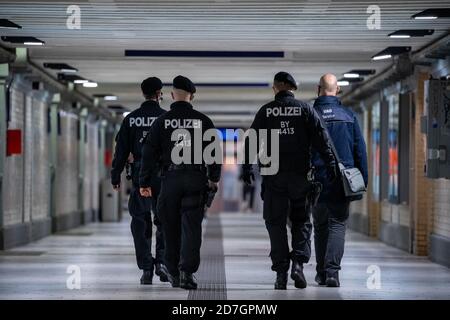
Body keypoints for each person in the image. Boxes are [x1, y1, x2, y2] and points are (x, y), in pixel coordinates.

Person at [242, 72, 337, 290]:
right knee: (301, 221)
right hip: (301, 177)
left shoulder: (267, 111)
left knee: (275, 223)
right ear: (293, 88)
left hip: (274, 178)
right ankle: (298, 265)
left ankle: (281, 274)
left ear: (276, 88)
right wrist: (331, 165)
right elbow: (322, 139)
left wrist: (246, 166)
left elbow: (252, 140)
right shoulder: (305, 109)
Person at [139, 75, 222, 290]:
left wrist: (144, 182)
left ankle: (174, 273)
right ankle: (187, 274)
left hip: (170, 180)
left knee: (170, 227)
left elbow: (148, 153)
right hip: (195, 178)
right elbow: (214, 154)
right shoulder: (203, 121)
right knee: (192, 228)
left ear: (173, 95)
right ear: (192, 96)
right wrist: (214, 178)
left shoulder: (161, 122)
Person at [311, 74, 368, 287]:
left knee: (320, 226)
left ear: (318, 89)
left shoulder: (311, 115)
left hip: (316, 180)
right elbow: (360, 150)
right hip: (342, 182)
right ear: (338, 90)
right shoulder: (349, 115)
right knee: (337, 225)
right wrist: (363, 179)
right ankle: (332, 272)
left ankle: (320, 273)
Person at [111, 77, 169, 285]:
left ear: (143, 93)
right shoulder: (166, 118)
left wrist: (115, 175)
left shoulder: (131, 119)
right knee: (163, 221)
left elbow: (121, 151)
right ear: (159, 93)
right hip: (162, 179)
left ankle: (146, 268)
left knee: (140, 222)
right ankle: (162, 262)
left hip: (139, 179)